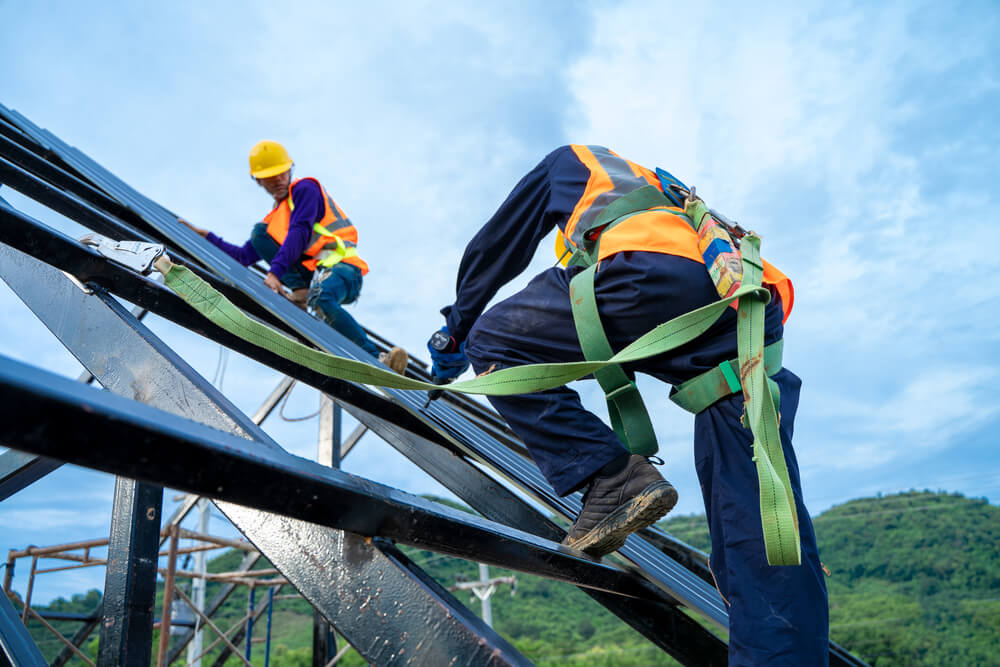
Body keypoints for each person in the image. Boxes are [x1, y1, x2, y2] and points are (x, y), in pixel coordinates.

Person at [427, 145, 829, 664]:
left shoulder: (573, 161)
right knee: (764, 524)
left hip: (649, 275)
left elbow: (496, 247)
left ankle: (614, 477)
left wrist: (455, 331)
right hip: (746, 311)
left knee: (496, 341)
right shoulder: (666, 188)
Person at [180, 140, 406, 373]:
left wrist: (275, 273)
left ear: (290, 169)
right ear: (258, 180)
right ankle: (301, 291)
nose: (278, 180)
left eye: (281, 173)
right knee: (259, 233)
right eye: (270, 176)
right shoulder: (274, 220)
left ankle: (378, 360)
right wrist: (206, 237)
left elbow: (301, 230)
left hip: (344, 269)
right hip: (316, 276)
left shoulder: (306, 189)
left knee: (320, 298)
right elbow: (242, 257)